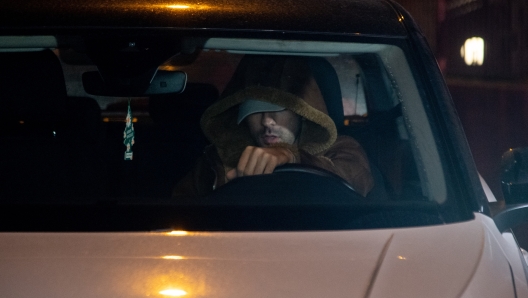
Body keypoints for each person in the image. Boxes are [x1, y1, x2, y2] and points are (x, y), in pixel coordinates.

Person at [173, 55, 374, 197]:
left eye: (279, 108)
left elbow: (356, 179)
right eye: (254, 110)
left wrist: (292, 157)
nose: (267, 121)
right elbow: (183, 212)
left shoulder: (342, 148)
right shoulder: (216, 160)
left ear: (301, 111)